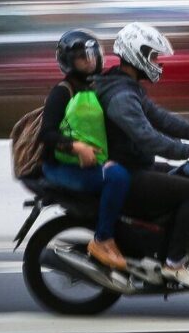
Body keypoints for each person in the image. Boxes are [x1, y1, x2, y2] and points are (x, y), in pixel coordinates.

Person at [94, 22, 189, 288]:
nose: (156, 62)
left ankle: (171, 245)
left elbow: (161, 119)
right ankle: (174, 265)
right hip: (127, 173)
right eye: (152, 56)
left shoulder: (127, 87)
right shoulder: (120, 96)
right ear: (135, 53)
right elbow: (149, 138)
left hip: (137, 167)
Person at [39, 29, 131, 271]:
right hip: (62, 166)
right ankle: (103, 240)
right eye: (82, 57)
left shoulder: (97, 86)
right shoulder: (63, 91)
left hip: (93, 162)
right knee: (117, 177)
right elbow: (46, 133)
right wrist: (76, 147)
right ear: (68, 61)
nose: (89, 61)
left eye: (92, 55)